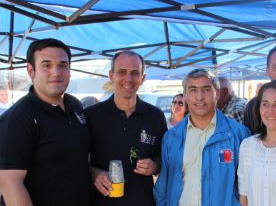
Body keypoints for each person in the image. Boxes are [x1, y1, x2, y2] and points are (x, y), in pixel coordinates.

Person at [0, 38, 91, 206]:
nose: (56, 72)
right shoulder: (18, 118)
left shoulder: (75, 106)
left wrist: (96, 173)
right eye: (46, 65)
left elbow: (75, 159)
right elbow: (10, 183)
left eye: (63, 65)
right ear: (30, 70)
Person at [154, 68, 250, 205]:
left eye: (206, 89)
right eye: (193, 90)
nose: (199, 97)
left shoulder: (239, 134)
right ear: (185, 96)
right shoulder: (171, 137)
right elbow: (162, 187)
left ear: (216, 94)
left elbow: (246, 187)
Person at [84, 50, 167, 206]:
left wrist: (154, 166)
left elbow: (165, 159)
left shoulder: (155, 116)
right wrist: (94, 173)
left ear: (142, 78)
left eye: (135, 73)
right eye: (122, 72)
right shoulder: (92, 115)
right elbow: (74, 160)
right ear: (111, 75)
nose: (128, 79)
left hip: (143, 201)